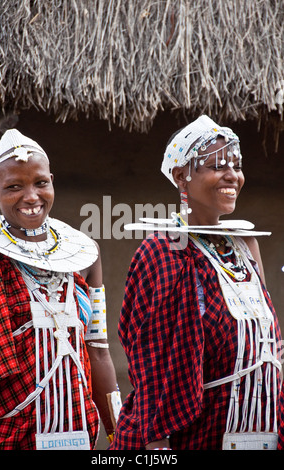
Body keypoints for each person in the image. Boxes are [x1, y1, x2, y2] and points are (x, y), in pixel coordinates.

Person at [111, 115, 283, 450]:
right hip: (195, 429)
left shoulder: (246, 245)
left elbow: (264, 335)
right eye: (217, 165)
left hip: (261, 423)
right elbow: (148, 354)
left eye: (236, 164)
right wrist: (156, 440)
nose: (232, 175)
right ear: (182, 176)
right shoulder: (161, 250)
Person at [0, 129, 121, 450]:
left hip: (76, 431)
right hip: (7, 430)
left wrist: (117, 433)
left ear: (51, 181)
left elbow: (98, 348)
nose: (31, 196)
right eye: (14, 186)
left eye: (40, 183)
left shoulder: (85, 255)